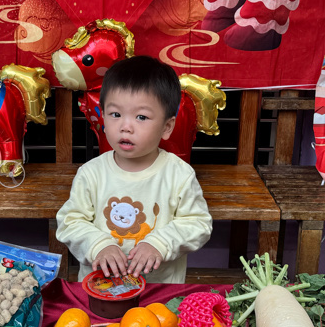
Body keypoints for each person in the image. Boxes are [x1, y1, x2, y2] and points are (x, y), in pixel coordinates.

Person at [56, 55, 212, 284]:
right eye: (115, 114)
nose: (125, 127)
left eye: (141, 117)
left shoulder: (178, 174)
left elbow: (198, 223)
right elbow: (70, 222)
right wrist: (99, 245)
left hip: (159, 290)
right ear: (103, 116)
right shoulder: (91, 173)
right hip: (100, 289)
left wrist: (160, 243)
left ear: (167, 127)